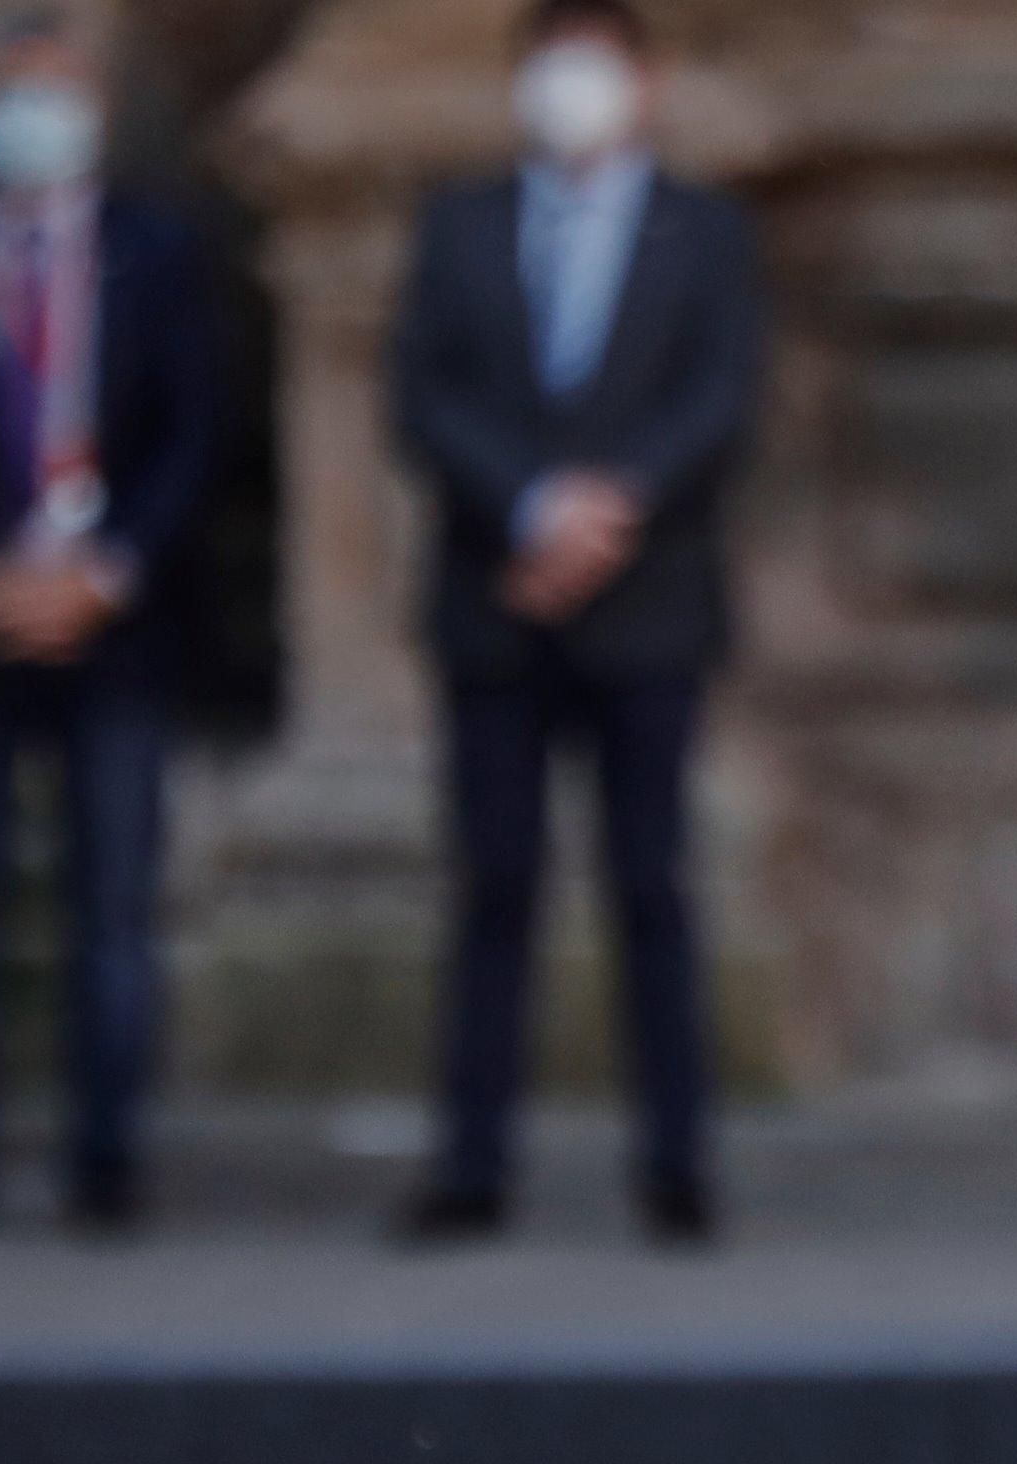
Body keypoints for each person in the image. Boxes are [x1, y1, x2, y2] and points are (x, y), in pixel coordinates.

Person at [388, 0, 764, 1245]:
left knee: (650, 884)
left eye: (597, 66)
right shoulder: (460, 221)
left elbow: (721, 395)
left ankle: (674, 1164)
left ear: (646, 83)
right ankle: (470, 1164)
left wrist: (613, 510)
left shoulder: (703, 230)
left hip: (646, 607)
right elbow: (422, 394)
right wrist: (533, 508)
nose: (573, 89)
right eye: (552, 66)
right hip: (496, 604)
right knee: (494, 885)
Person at [0, 7, 225, 1228]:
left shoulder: (158, 255)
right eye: (11, 93)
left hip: (113, 630)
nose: (32, 120)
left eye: (55, 95)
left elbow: (193, 433)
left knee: (112, 914)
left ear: (99, 114)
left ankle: (106, 1161)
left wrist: (104, 573)